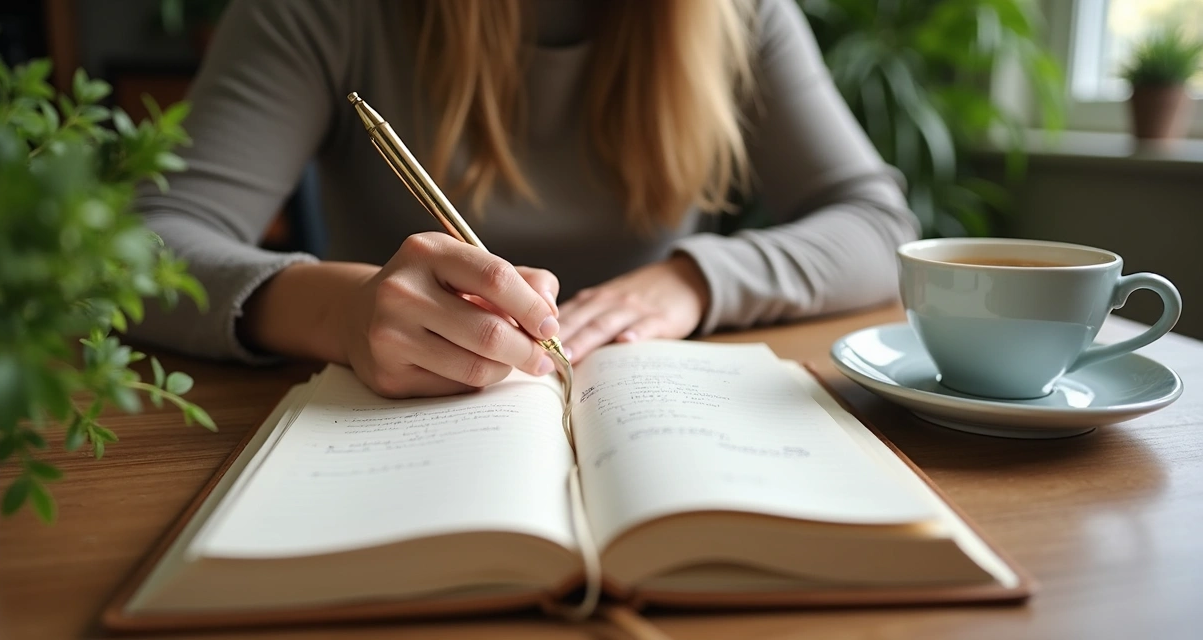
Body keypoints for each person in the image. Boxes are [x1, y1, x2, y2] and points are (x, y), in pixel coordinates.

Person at [132, 0, 920, 399]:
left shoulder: (736, 13)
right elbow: (136, 244)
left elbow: (880, 225)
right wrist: (338, 311)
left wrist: (693, 280)